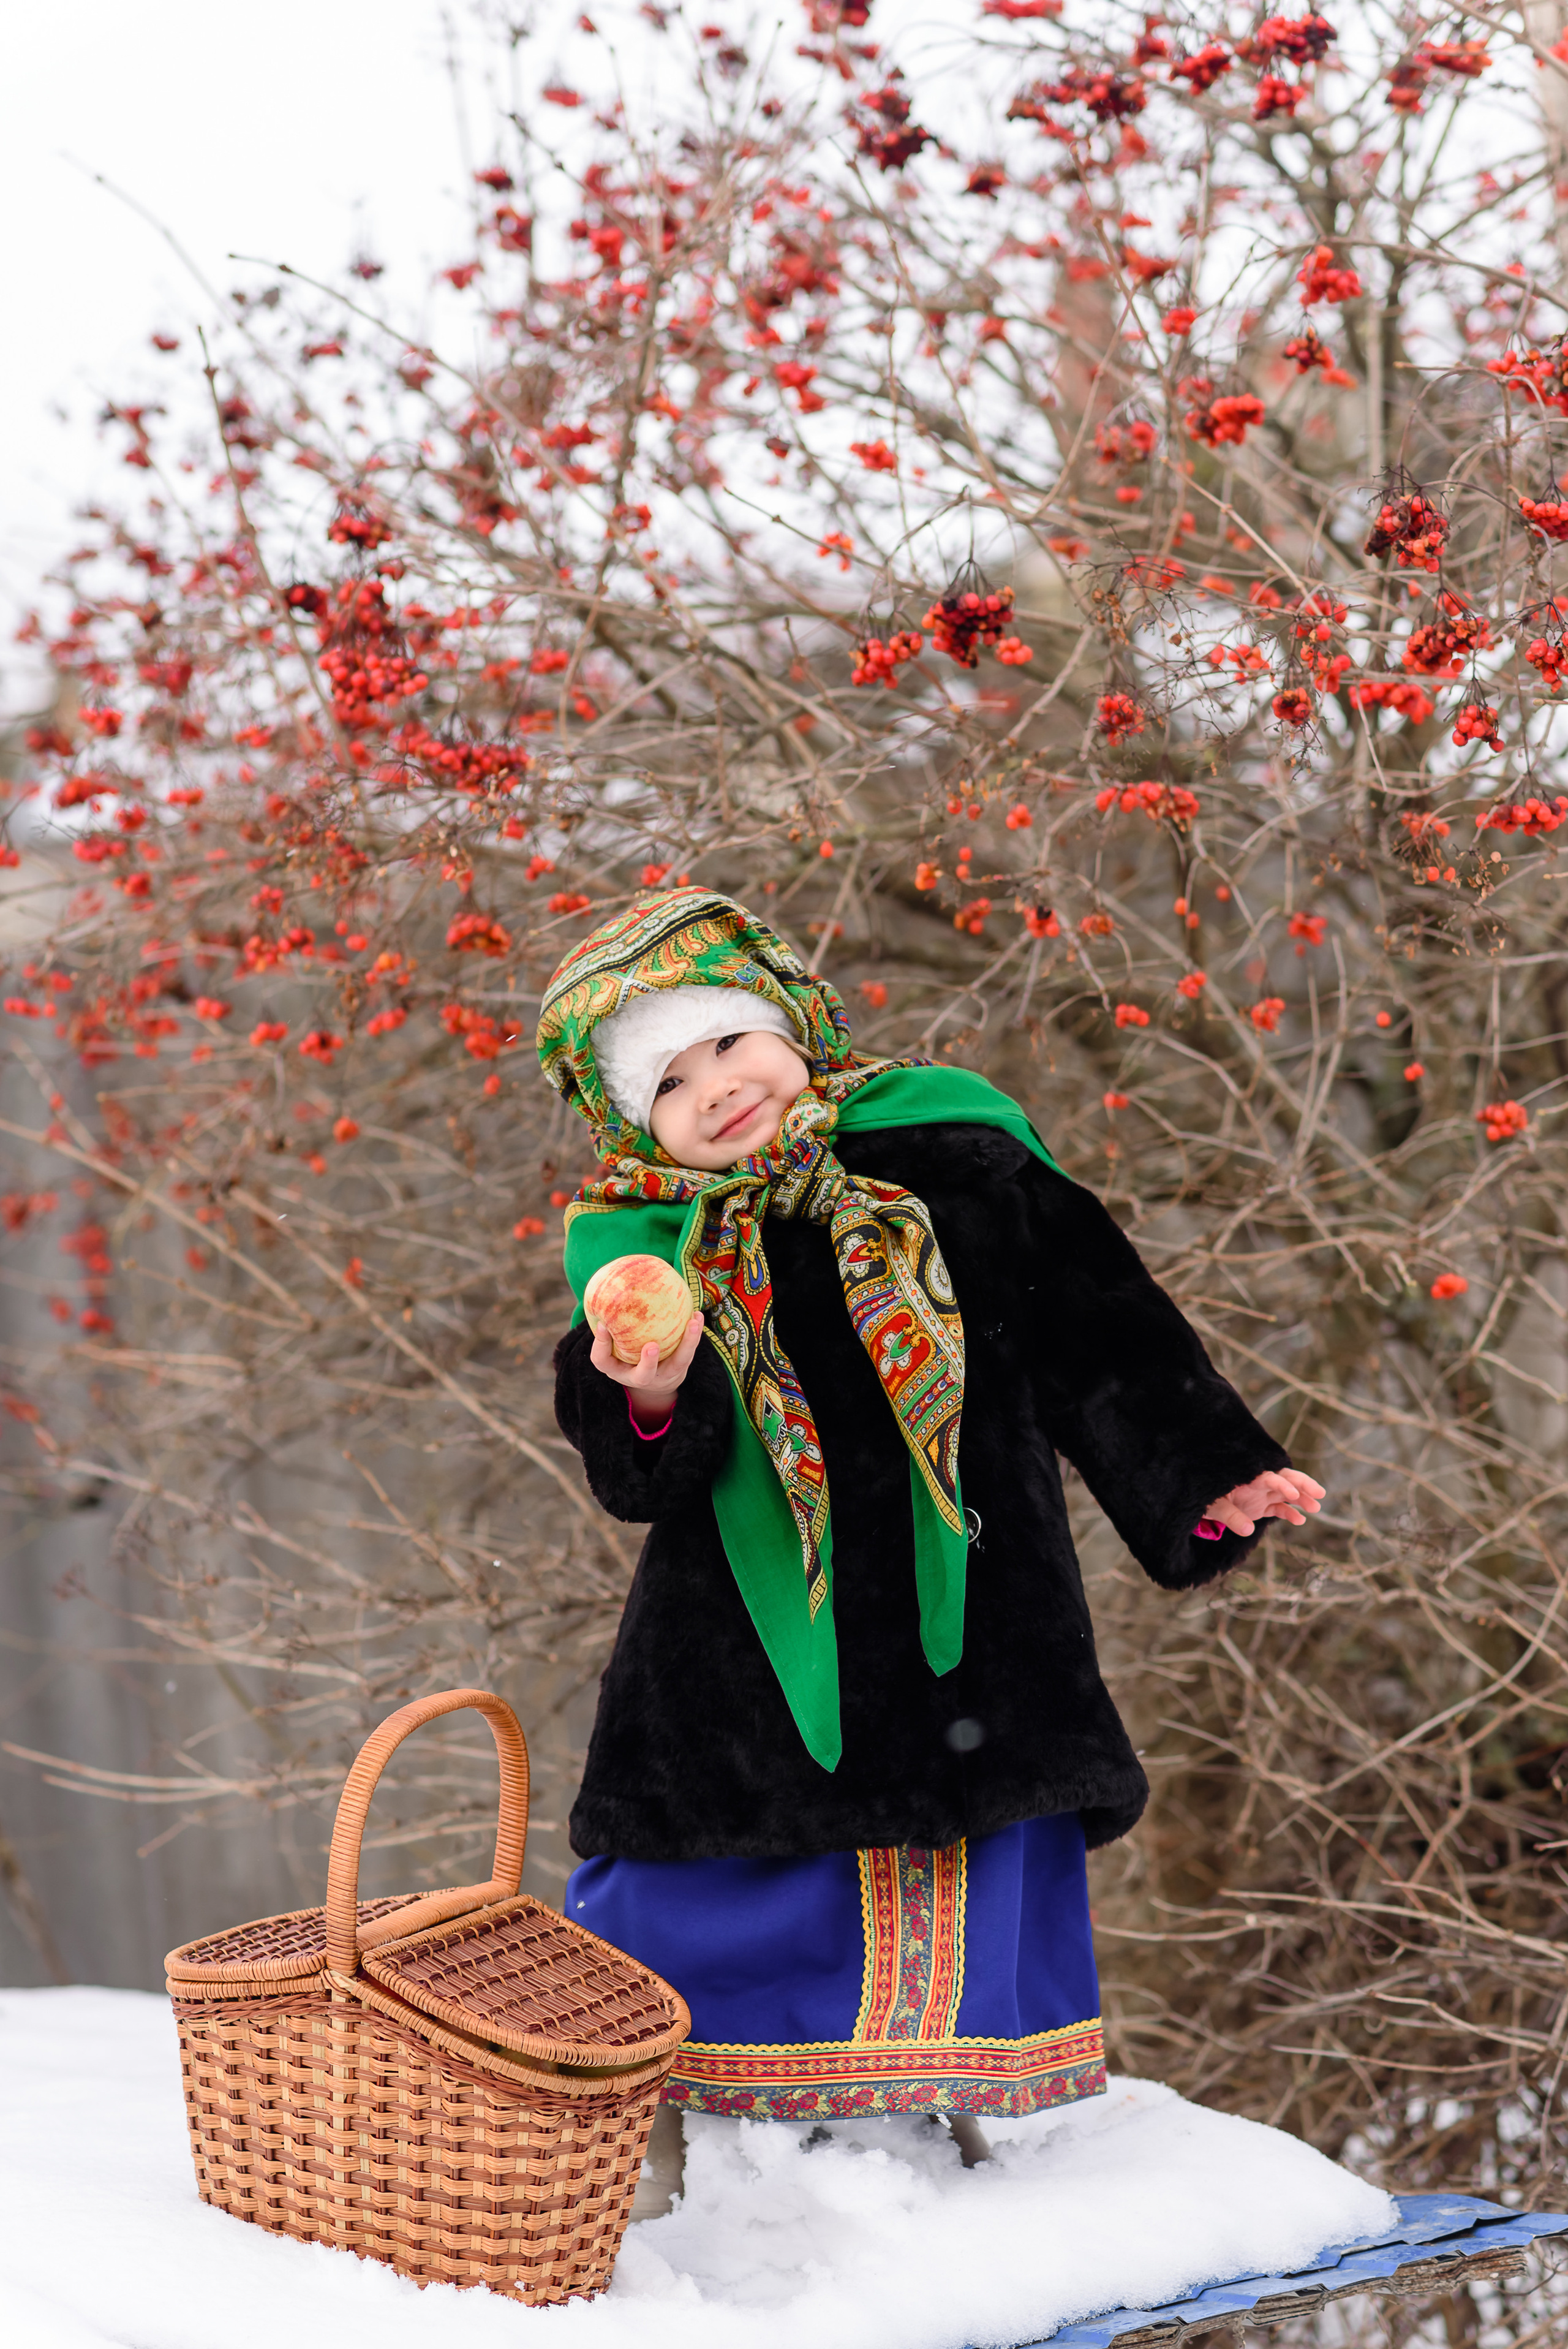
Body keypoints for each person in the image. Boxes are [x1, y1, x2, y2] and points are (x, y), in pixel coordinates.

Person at [535, 887, 1323, 2207]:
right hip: (742, 1635)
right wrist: (649, 1383)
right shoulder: (643, 1240)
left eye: (728, 1042)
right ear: (635, 1125)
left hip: (978, 1598)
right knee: (712, 1863)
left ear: (793, 1022)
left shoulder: (954, 1153)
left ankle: (930, 2120)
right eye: (668, 1082)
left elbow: (1100, 1326)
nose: (714, 1087)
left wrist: (1203, 1469)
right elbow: (642, 1474)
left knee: (959, 1840)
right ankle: (682, 2124)